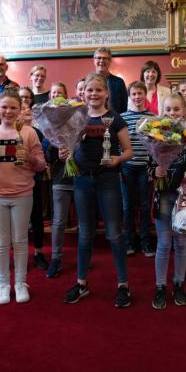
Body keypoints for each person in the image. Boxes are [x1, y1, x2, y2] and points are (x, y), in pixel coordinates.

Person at [62, 73, 133, 308]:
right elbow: (68, 145)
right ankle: (82, 283)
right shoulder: (76, 117)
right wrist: (65, 153)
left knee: (114, 233)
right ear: (83, 92)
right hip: (82, 180)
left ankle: (123, 285)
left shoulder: (116, 119)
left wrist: (116, 160)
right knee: (85, 233)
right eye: (89, 90)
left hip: (108, 180)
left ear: (106, 93)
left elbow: (128, 151)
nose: (93, 94)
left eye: (98, 90)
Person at [0, 90, 46, 304]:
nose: (8, 111)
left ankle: (21, 283)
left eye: (13, 107)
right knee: (0, 243)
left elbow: (41, 165)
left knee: (20, 240)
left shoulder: (29, 133)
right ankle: (4, 284)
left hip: (23, 193)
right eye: (4, 107)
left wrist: (31, 159)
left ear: (20, 110)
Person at [150, 94, 186, 309]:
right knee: (164, 243)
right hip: (163, 196)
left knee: (181, 243)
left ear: (185, 111)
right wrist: (157, 171)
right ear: (163, 112)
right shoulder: (155, 135)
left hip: (183, 196)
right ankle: (160, 286)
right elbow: (149, 166)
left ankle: (179, 283)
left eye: (176, 109)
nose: (173, 113)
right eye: (169, 109)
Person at [121, 82, 155, 257]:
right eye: (133, 94)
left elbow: (157, 146)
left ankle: (145, 242)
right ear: (130, 96)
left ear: (145, 94)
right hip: (127, 167)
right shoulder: (122, 117)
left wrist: (153, 168)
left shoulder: (153, 118)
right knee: (127, 206)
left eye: (140, 93)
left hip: (145, 169)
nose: (137, 97)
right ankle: (129, 241)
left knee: (144, 206)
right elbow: (118, 144)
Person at [18, 87, 49, 271]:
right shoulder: (10, 131)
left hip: (35, 179)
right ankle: (20, 253)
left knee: (37, 217)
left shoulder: (39, 131)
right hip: (15, 182)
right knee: (18, 221)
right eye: (22, 109)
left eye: (28, 109)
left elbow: (42, 156)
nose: (26, 111)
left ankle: (38, 252)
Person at [45, 83, 73, 278]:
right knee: (59, 220)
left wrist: (73, 152)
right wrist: (57, 152)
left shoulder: (78, 119)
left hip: (80, 176)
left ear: (66, 97)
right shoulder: (46, 122)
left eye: (60, 93)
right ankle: (56, 258)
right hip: (60, 177)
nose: (56, 96)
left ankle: (84, 257)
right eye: (53, 93)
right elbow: (46, 154)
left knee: (84, 221)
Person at [93, 47, 128, 114]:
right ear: (94, 60)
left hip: (115, 122)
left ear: (110, 61)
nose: (101, 60)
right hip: (94, 122)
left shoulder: (119, 82)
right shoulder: (87, 82)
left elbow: (124, 107)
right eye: (99, 58)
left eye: (105, 58)